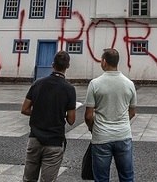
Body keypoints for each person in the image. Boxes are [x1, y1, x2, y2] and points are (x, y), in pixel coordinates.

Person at [21, 51, 76, 182]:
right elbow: (71, 119)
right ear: (67, 66)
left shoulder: (38, 83)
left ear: (52, 65)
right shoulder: (69, 89)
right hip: (55, 141)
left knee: (28, 178)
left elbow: (24, 109)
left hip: (35, 139)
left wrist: (40, 111)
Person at [84, 48, 137, 182]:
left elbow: (89, 115)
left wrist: (92, 128)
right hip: (123, 134)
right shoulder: (129, 84)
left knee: (101, 178)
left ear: (104, 61)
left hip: (101, 136)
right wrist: (122, 121)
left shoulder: (95, 84)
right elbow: (132, 112)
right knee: (127, 177)